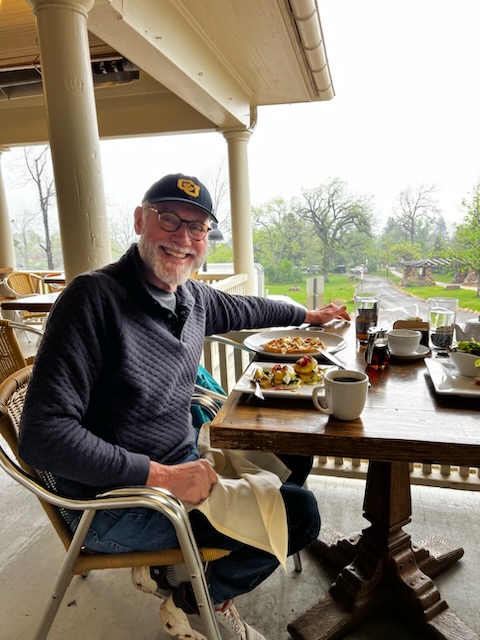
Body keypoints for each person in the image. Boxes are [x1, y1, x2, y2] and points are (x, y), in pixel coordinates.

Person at [19, 173, 350, 640]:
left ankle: (168, 570)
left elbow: (249, 309)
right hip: (114, 505)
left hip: (185, 461)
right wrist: (167, 477)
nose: (183, 238)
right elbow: (42, 436)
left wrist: (309, 315)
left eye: (198, 228)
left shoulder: (190, 296)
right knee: (300, 515)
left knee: (295, 453)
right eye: (169, 219)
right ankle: (193, 601)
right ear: (140, 220)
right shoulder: (92, 299)